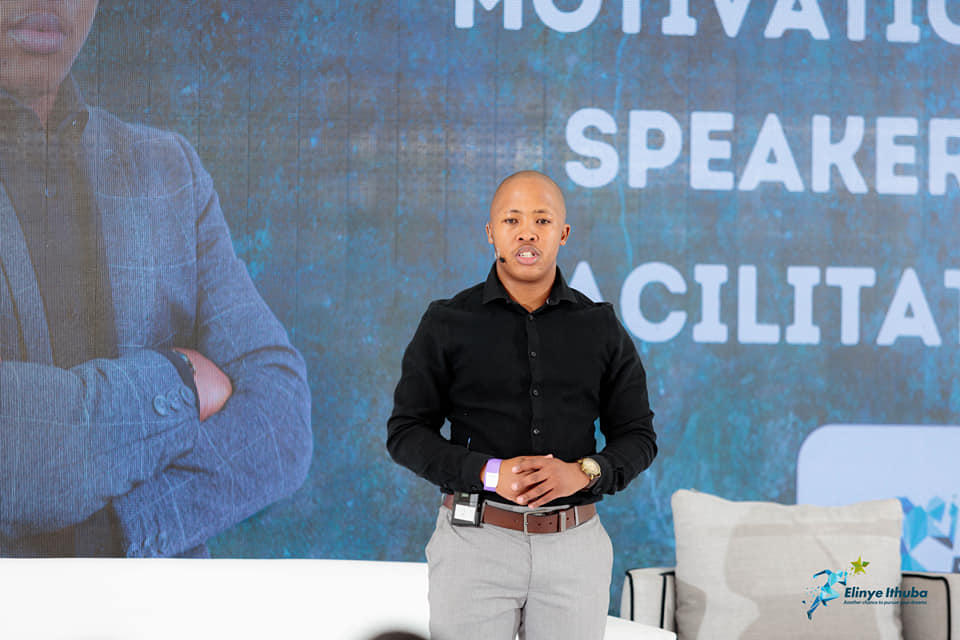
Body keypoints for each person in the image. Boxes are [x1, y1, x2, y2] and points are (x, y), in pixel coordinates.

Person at [0, 0, 312, 557]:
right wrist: (177, 382)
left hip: (157, 600)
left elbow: (281, 420)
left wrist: (118, 532)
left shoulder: (169, 171)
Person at [387, 170, 658, 639]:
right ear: (491, 232)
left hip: (574, 548)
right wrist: (490, 472)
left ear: (563, 233)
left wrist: (583, 472)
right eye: (512, 220)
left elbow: (638, 436)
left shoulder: (600, 327)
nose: (527, 232)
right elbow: (406, 433)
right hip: (475, 545)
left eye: (542, 220)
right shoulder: (447, 322)